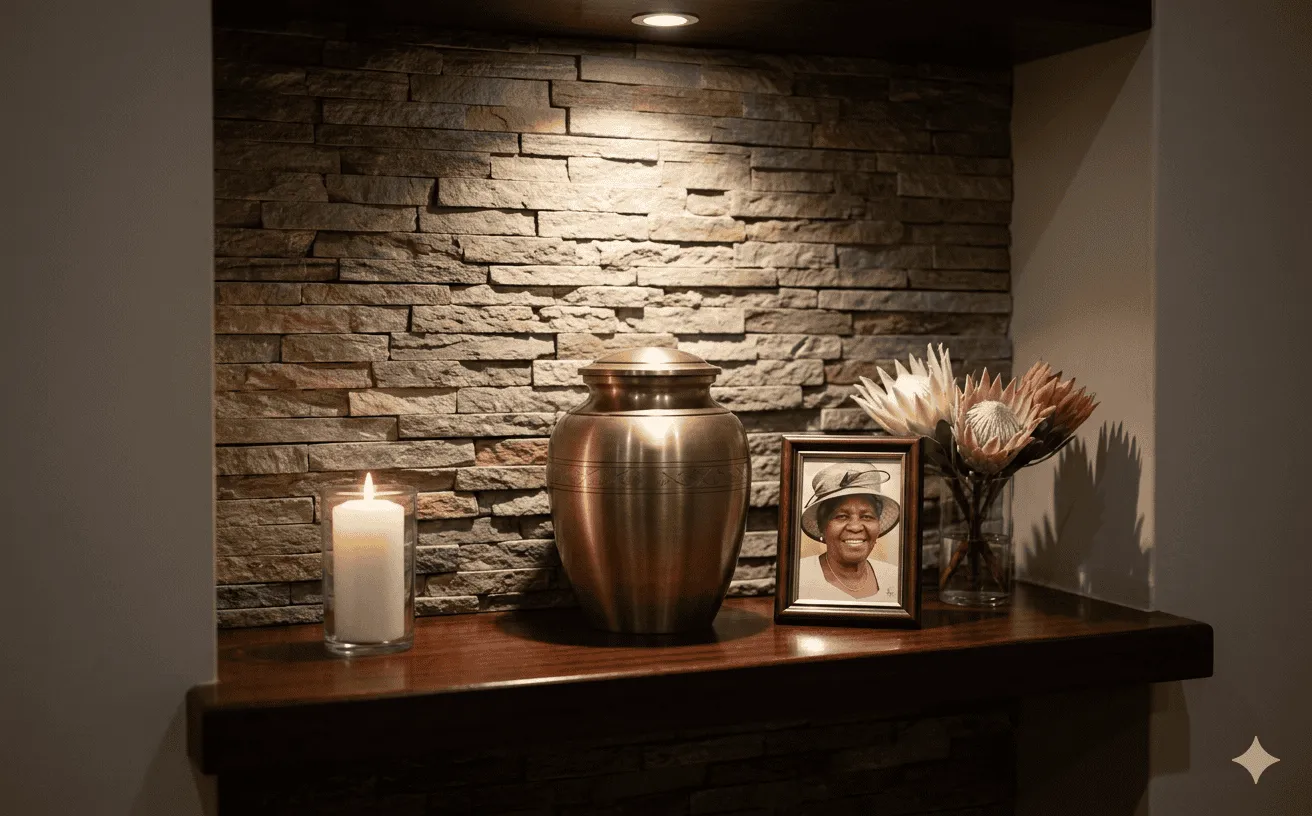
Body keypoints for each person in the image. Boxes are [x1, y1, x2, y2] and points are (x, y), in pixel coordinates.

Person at [796, 463, 901, 602]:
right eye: (841, 516)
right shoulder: (797, 577)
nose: (856, 527)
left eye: (867, 516)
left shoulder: (896, 578)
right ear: (822, 526)